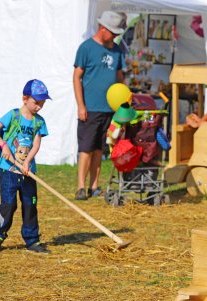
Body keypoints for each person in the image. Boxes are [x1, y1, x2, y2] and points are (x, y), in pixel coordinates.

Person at [0, 79, 51, 254]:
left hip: (28, 171)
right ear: (25, 99)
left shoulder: (39, 122)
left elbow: (36, 144)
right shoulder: (13, 116)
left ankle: (32, 240)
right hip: (9, 169)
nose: (39, 107)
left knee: (30, 204)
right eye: (36, 102)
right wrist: (4, 146)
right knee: (9, 204)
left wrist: (28, 161)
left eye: (42, 103)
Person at [73, 11, 126, 200]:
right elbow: (77, 77)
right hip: (91, 107)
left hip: (110, 109)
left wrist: (123, 101)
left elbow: (120, 77)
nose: (115, 36)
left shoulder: (117, 50)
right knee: (86, 147)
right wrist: (81, 105)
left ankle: (93, 186)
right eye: (113, 33)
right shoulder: (86, 48)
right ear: (103, 28)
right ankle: (80, 186)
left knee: (99, 149)